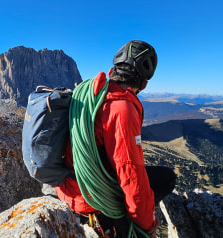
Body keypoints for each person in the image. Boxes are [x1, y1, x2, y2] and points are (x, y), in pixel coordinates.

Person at [56, 40, 176, 238]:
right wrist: (148, 226)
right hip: (93, 202)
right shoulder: (122, 107)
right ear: (144, 84)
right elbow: (131, 175)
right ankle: (117, 222)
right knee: (166, 179)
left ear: (112, 70)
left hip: (70, 188)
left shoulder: (87, 92)